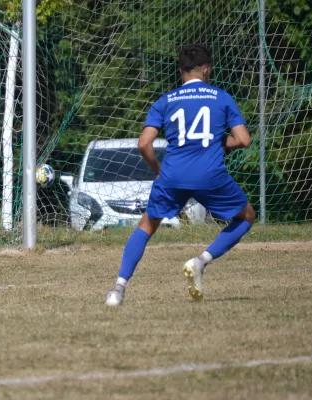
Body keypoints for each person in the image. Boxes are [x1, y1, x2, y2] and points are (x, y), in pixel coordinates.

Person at [105, 44, 255, 306]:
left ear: (180, 72)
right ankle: (201, 261)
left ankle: (118, 290)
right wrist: (217, 142)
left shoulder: (166, 100)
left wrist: (158, 172)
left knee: (146, 226)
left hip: (172, 175)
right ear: (207, 69)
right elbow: (243, 140)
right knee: (246, 216)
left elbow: (143, 144)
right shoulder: (221, 97)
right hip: (210, 174)